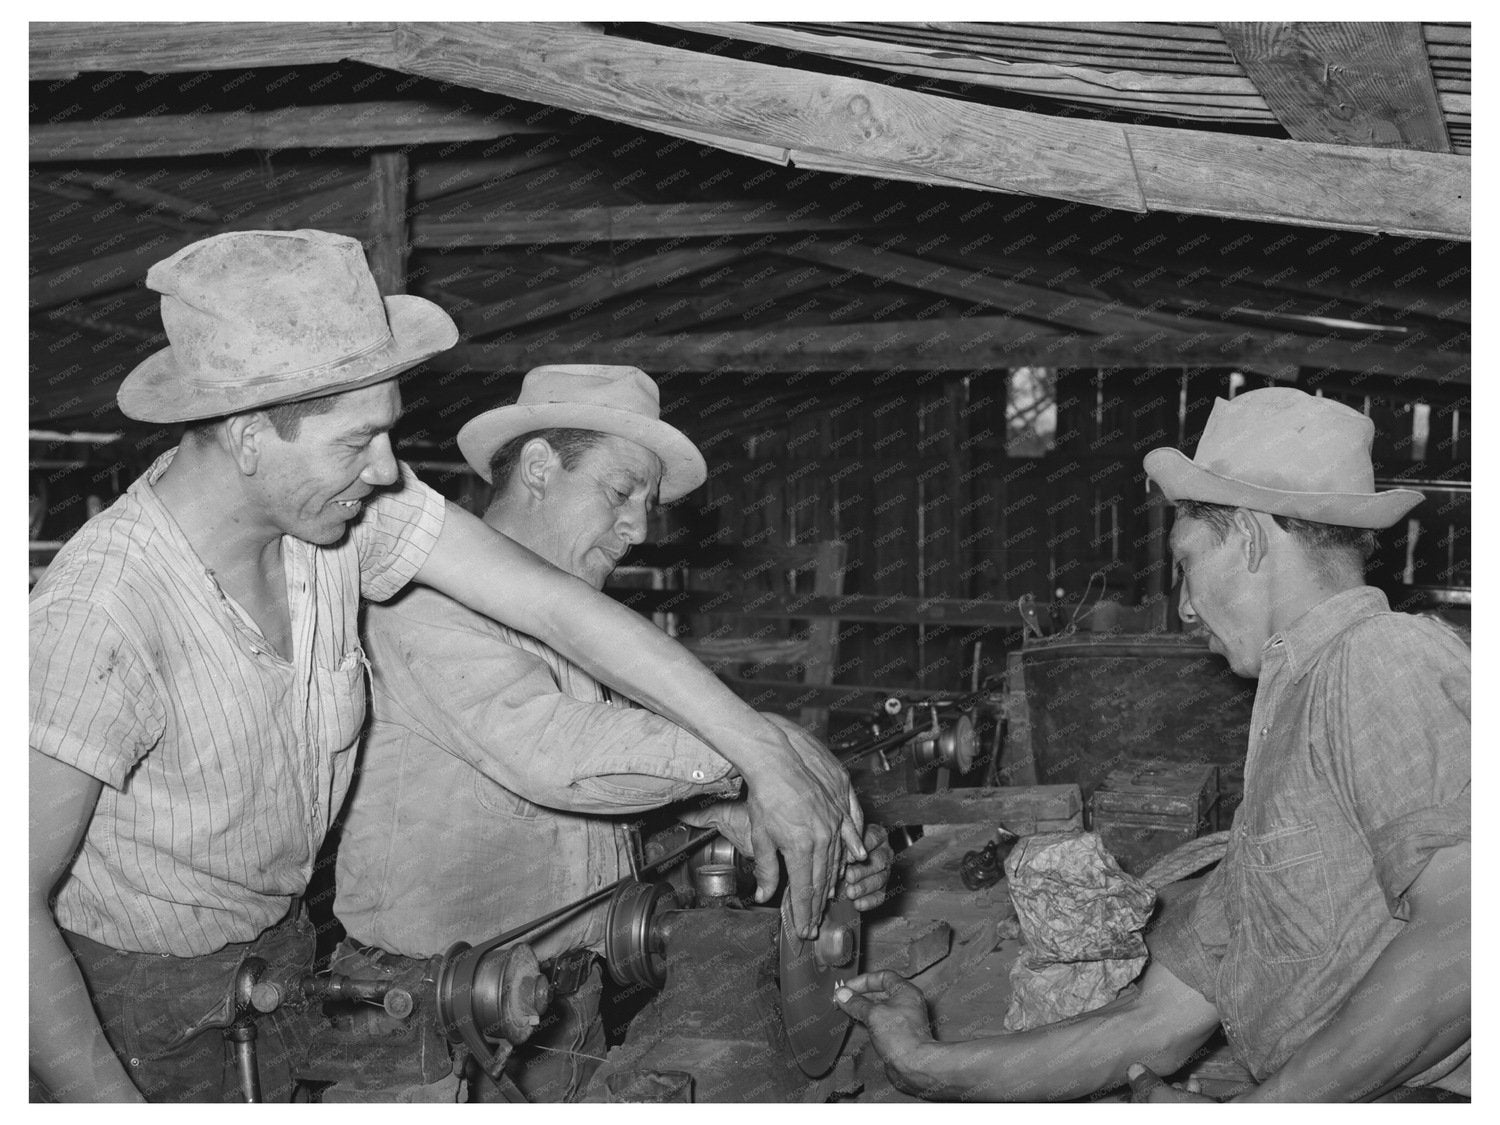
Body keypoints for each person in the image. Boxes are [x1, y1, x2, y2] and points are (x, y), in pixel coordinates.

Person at [29, 230, 863, 1103]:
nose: (387, 468)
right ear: (247, 436)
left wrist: (760, 748)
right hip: (125, 1002)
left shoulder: (336, 518)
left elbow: (555, 604)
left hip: (275, 963)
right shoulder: (101, 614)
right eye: (359, 441)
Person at [836, 387, 1469, 1102]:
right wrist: (926, 1059)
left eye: (1187, 561)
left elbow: (1469, 938)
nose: (1187, 603)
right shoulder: (1294, 718)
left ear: (1254, 536)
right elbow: (1157, 1021)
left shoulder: (1381, 656)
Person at [333, 365, 893, 1101]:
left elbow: (602, 788)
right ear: (538, 466)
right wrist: (766, 756)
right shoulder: (417, 597)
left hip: (566, 999)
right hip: (428, 1018)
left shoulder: (579, 625)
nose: (639, 526)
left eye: (647, 504)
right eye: (620, 491)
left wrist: (786, 831)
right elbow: (555, 752)